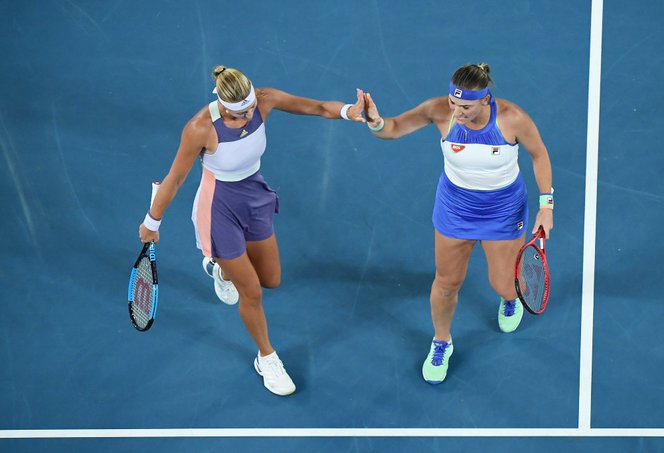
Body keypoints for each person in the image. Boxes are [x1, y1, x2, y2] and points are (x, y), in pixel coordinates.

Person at [138, 65, 366, 396]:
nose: (247, 118)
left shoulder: (263, 100)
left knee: (271, 279)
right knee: (253, 292)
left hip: (254, 196)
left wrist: (350, 111)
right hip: (218, 208)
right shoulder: (199, 128)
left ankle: (223, 270)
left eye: (248, 111)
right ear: (222, 105)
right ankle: (267, 357)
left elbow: (316, 107)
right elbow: (174, 179)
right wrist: (151, 222)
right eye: (237, 115)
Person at [362, 63, 553, 385]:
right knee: (447, 283)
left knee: (505, 285)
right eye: (454, 103)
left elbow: (540, 156)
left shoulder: (512, 118)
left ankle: (509, 300)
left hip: (503, 211)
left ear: (485, 100)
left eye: (465, 106)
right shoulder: (439, 111)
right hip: (456, 210)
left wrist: (546, 205)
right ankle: (441, 342)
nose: (456, 112)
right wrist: (375, 121)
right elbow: (392, 129)